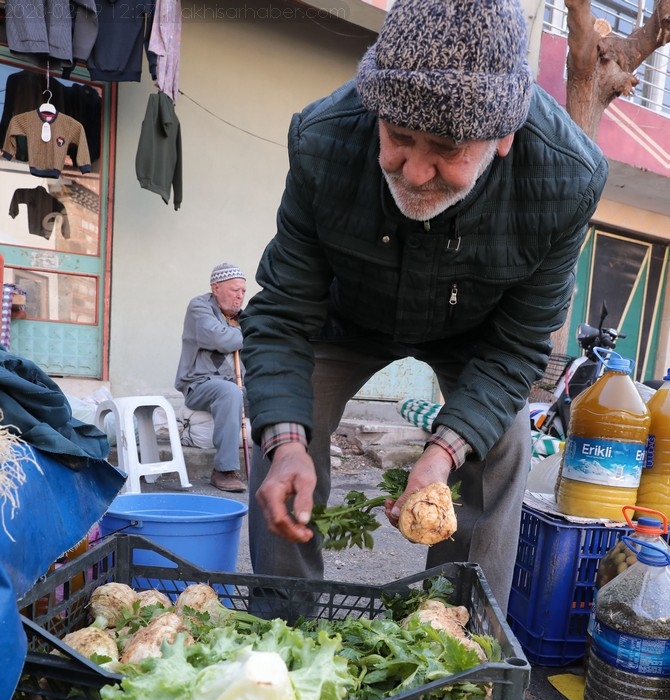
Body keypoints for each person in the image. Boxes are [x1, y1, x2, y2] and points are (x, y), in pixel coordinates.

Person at [240, 0, 609, 613]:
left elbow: (518, 347)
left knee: (505, 443)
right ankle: (283, 626)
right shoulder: (323, 140)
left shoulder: (566, 178)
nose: (413, 170)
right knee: (282, 423)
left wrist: (441, 454)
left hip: (476, 332)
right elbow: (281, 312)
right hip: (346, 314)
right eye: (397, 137)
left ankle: (449, 633)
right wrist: (286, 443)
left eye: (445, 148)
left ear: (504, 137)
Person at [175, 262, 247, 493]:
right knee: (229, 392)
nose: (240, 296)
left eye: (243, 291)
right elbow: (218, 340)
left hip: (237, 385)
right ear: (216, 288)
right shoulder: (199, 307)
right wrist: (245, 333)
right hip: (198, 384)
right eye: (234, 290)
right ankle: (224, 470)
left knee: (271, 391)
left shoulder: (242, 318)